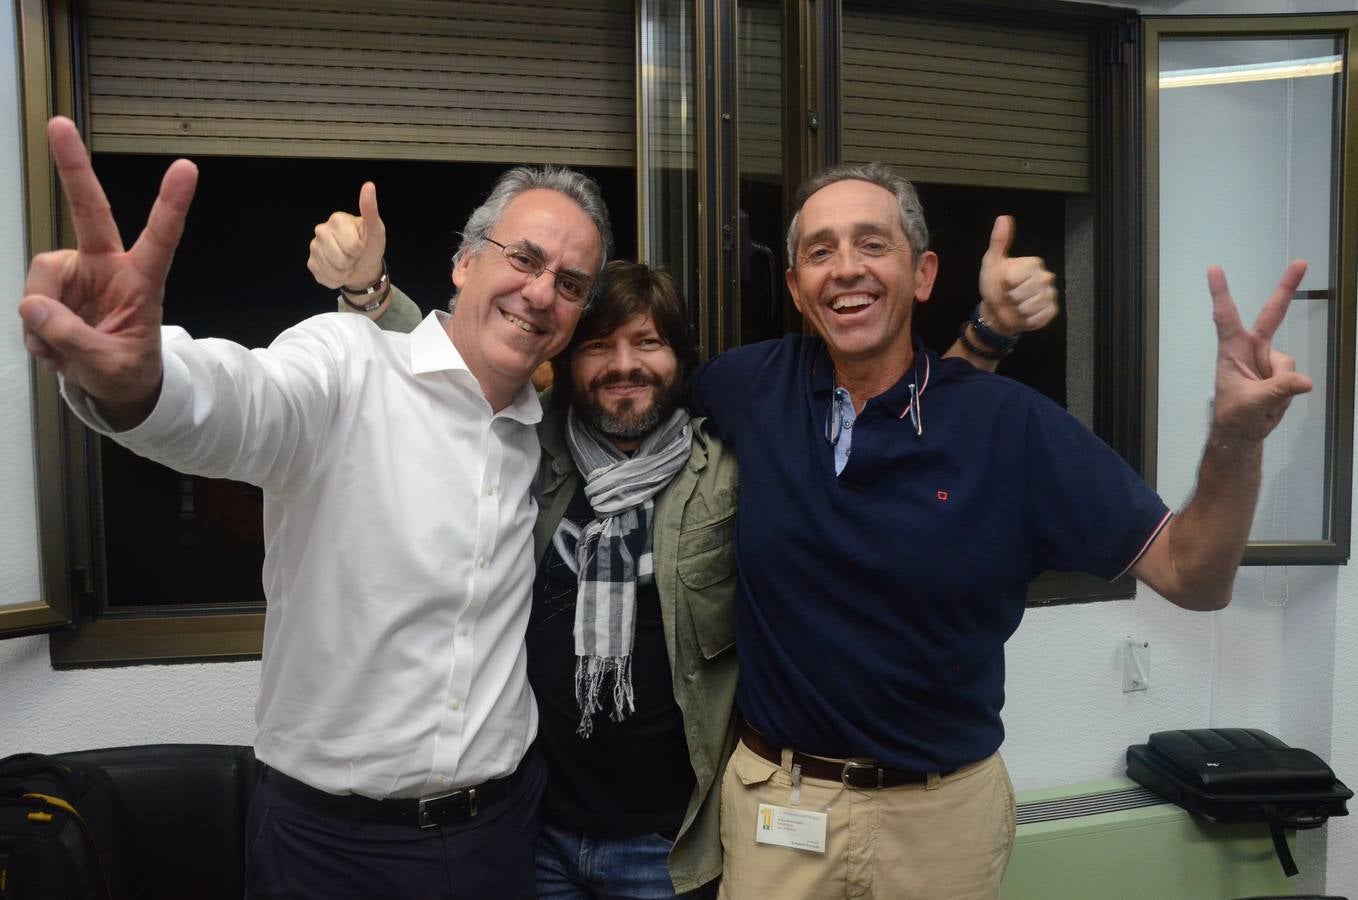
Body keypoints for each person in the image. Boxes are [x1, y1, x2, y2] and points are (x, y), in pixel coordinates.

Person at [306, 181, 1059, 897]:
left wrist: (984, 336)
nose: (626, 365)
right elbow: (458, 367)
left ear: (681, 362)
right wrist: (371, 294)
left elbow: (898, 429)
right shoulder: (535, 448)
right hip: (537, 825)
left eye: (649, 343)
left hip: (669, 842)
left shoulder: (728, 468)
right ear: (565, 362)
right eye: (599, 346)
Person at [17, 116, 613, 899]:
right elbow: (241, 402)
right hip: (329, 848)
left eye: (570, 284)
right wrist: (140, 379)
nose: (541, 292)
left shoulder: (544, 438)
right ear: (465, 263)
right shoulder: (347, 364)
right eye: (524, 259)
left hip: (496, 837)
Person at [683, 162, 1312, 900]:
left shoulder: (1010, 426)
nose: (845, 268)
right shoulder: (745, 388)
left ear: (922, 274)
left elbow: (1194, 577)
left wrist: (1235, 437)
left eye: (871, 244)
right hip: (779, 812)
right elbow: (622, 404)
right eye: (820, 252)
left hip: (944, 820)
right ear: (795, 288)